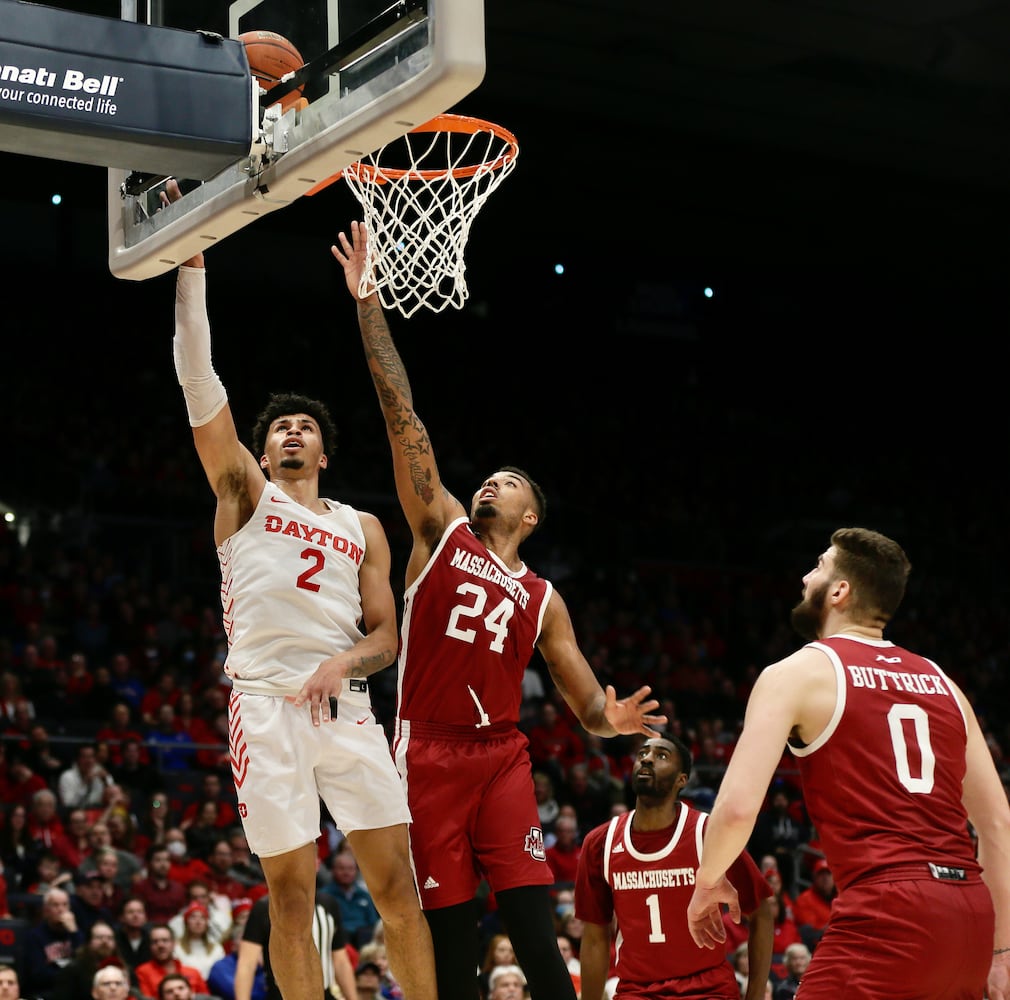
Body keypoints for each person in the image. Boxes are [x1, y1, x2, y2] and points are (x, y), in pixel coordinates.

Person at [332, 219, 665, 1000]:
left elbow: (585, 701)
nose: (491, 483)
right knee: (452, 935)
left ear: (532, 515)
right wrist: (367, 302)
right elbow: (400, 415)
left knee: (531, 921)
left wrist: (608, 721)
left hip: (501, 754)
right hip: (428, 753)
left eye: (508, 481)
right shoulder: (439, 530)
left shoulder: (546, 598)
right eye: (489, 476)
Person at [170, 192, 436, 1000]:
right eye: (277, 427)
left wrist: (345, 662)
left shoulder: (364, 525)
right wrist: (191, 267)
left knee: (399, 890)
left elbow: (388, 636)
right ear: (261, 451)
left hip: (348, 707)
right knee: (292, 896)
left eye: (303, 426)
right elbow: (197, 377)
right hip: (267, 706)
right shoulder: (246, 496)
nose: (290, 431)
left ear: (323, 447)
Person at [686, 527, 1010, 1000]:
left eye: (817, 566)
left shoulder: (797, 673)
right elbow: (997, 824)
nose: (804, 577)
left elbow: (736, 811)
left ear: (839, 591)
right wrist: (1001, 954)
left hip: (890, 909)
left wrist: (707, 881)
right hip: (971, 917)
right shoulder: (944, 683)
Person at [575, 734, 772, 1000]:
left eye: (661, 756)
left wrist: (756, 995)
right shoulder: (601, 843)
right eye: (642, 753)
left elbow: (761, 912)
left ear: (682, 779)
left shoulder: (709, 834)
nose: (646, 759)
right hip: (638, 991)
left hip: (708, 989)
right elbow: (595, 937)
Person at [233, 893, 357, 1000]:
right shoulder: (264, 907)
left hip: (324, 994)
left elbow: (341, 962)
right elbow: (247, 964)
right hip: (280, 995)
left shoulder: (328, 904)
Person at [134, 924, 209, 1000]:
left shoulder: (193, 972)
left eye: (165, 940)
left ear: (174, 943)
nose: (160, 945)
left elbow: (207, 999)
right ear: (150, 946)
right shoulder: (143, 972)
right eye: (155, 942)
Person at [790, 859, 835, 953]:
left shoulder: (840, 897)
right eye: (821, 874)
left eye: (828, 874)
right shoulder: (804, 899)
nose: (825, 878)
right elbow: (810, 932)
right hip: (816, 947)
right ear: (814, 877)